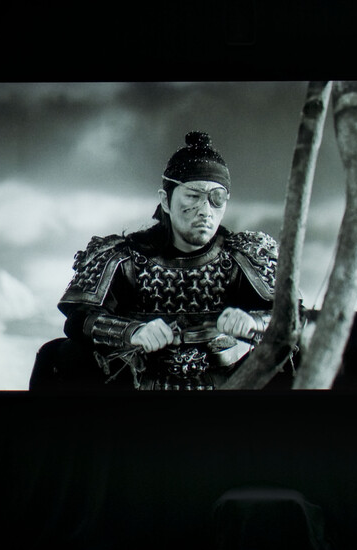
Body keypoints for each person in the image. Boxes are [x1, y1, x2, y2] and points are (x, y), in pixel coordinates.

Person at [30, 131, 288, 390]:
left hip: (229, 383)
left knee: (292, 355)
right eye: (193, 196)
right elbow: (79, 319)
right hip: (138, 382)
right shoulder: (125, 258)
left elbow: (292, 317)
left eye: (216, 198)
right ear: (166, 200)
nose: (205, 210)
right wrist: (131, 332)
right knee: (58, 355)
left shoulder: (244, 256)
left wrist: (255, 322)